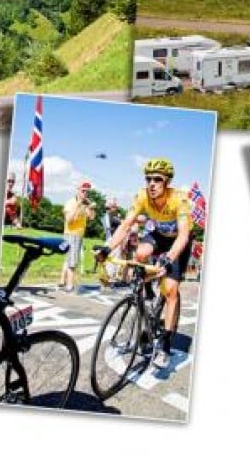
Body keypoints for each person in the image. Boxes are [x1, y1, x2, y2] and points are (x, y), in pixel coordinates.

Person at [97, 158, 192, 370]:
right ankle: (147, 291)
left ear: (167, 182)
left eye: (157, 179)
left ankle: (165, 344)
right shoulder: (142, 196)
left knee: (170, 289)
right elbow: (125, 225)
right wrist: (107, 249)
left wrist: (169, 257)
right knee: (139, 254)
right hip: (158, 235)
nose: (152, 183)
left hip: (178, 241)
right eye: (148, 179)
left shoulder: (179, 199)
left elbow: (184, 235)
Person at [60, 181, 95, 292]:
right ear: (78, 190)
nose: (85, 193)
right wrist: (78, 205)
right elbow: (69, 220)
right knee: (73, 260)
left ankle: (62, 280)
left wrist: (91, 207)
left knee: (70, 258)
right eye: (83, 191)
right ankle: (69, 285)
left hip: (79, 234)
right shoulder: (70, 202)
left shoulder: (85, 204)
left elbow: (92, 218)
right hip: (71, 233)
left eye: (87, 191)